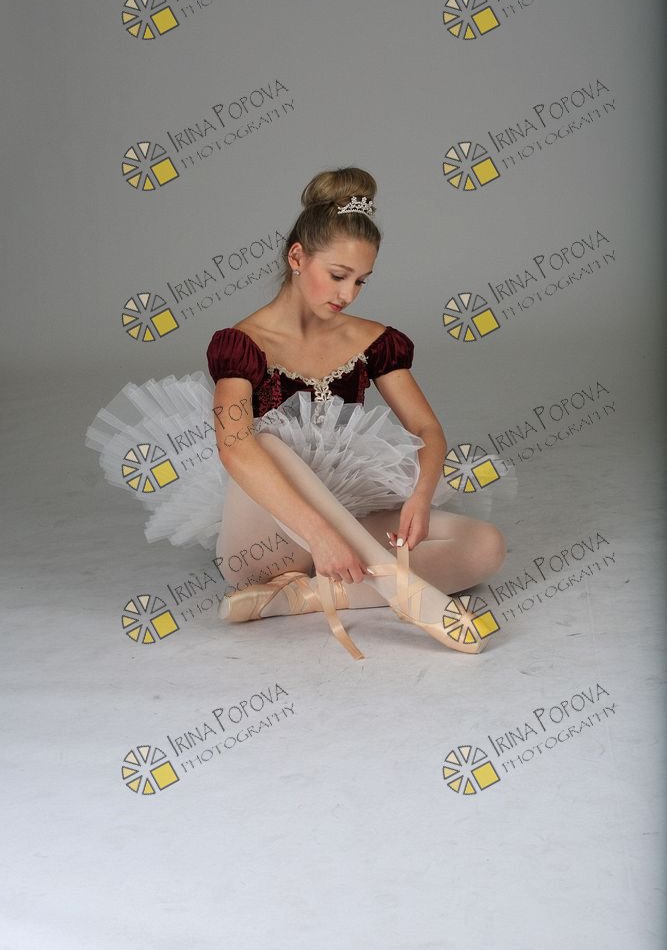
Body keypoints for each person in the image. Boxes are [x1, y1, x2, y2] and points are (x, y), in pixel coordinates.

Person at [85, 167, 510, 660]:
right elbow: (233, 447)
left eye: (360, 281)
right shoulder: (243, 344)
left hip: (346, 516)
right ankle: (410, 597)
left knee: (485, 545)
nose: (347, 294)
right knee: (264, 440)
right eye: (338, 275)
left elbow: (425, 427)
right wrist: (320, 537)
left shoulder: (373, 340)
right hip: (267, 541)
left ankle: (300, 598)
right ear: (297, 257)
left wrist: (421, 495)